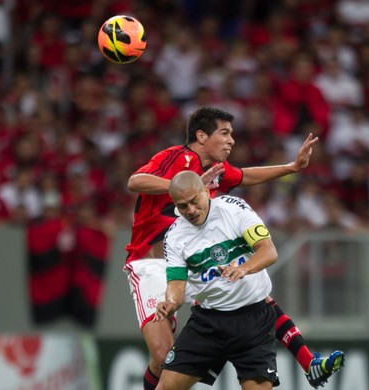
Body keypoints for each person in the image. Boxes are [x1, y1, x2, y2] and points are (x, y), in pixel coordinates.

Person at [124, 106, 343, 389]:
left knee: (252, 296)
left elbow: (244, 176)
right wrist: (183, 187)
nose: (231, 141)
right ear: (201, 136)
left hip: (192, 266)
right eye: (224, 133)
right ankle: (307, 361)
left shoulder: (217, 172)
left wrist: (292, 167)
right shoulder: (176, 157)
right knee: (163, 356)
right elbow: (135, 181)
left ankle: (308, 361)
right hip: (152, 264)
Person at [153, 171, 344, 390]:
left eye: (194, 201)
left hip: (253, 321)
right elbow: (176, 284)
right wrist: (170, 302)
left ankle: (309, 362)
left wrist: (244, 269)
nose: (191, 210)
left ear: (206, 191)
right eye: (183, 206)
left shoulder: (234, 210)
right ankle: (309, 362)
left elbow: (268, 251)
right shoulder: (175, 236)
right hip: (208, 323)